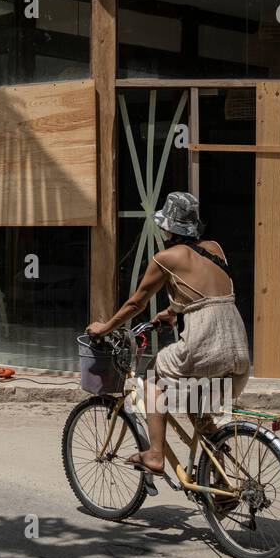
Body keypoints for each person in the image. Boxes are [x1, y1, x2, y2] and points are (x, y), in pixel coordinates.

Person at [86, 191, 251, 476]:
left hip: (205, 342)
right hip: (237, 347)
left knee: (152, 377)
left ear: (167, 227)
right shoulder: (215, 248)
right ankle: (223, 485)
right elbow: (207, 294)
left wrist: (105, 327)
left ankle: (154, 454)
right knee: (199, 406)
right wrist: (174, 312)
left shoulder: (165, 258)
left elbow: (136, 303)